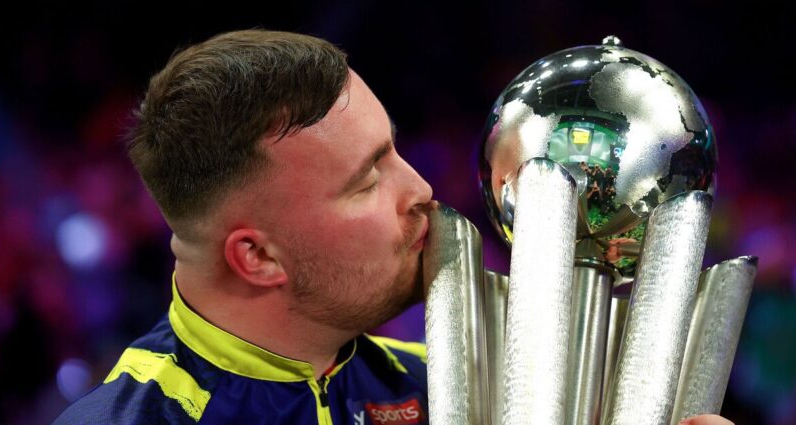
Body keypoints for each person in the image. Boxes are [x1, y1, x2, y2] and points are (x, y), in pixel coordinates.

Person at [53, 29, 734, 425]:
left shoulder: (461, 393)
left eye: (394, 150)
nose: (421, 191)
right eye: (367, 179)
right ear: (257, 256)